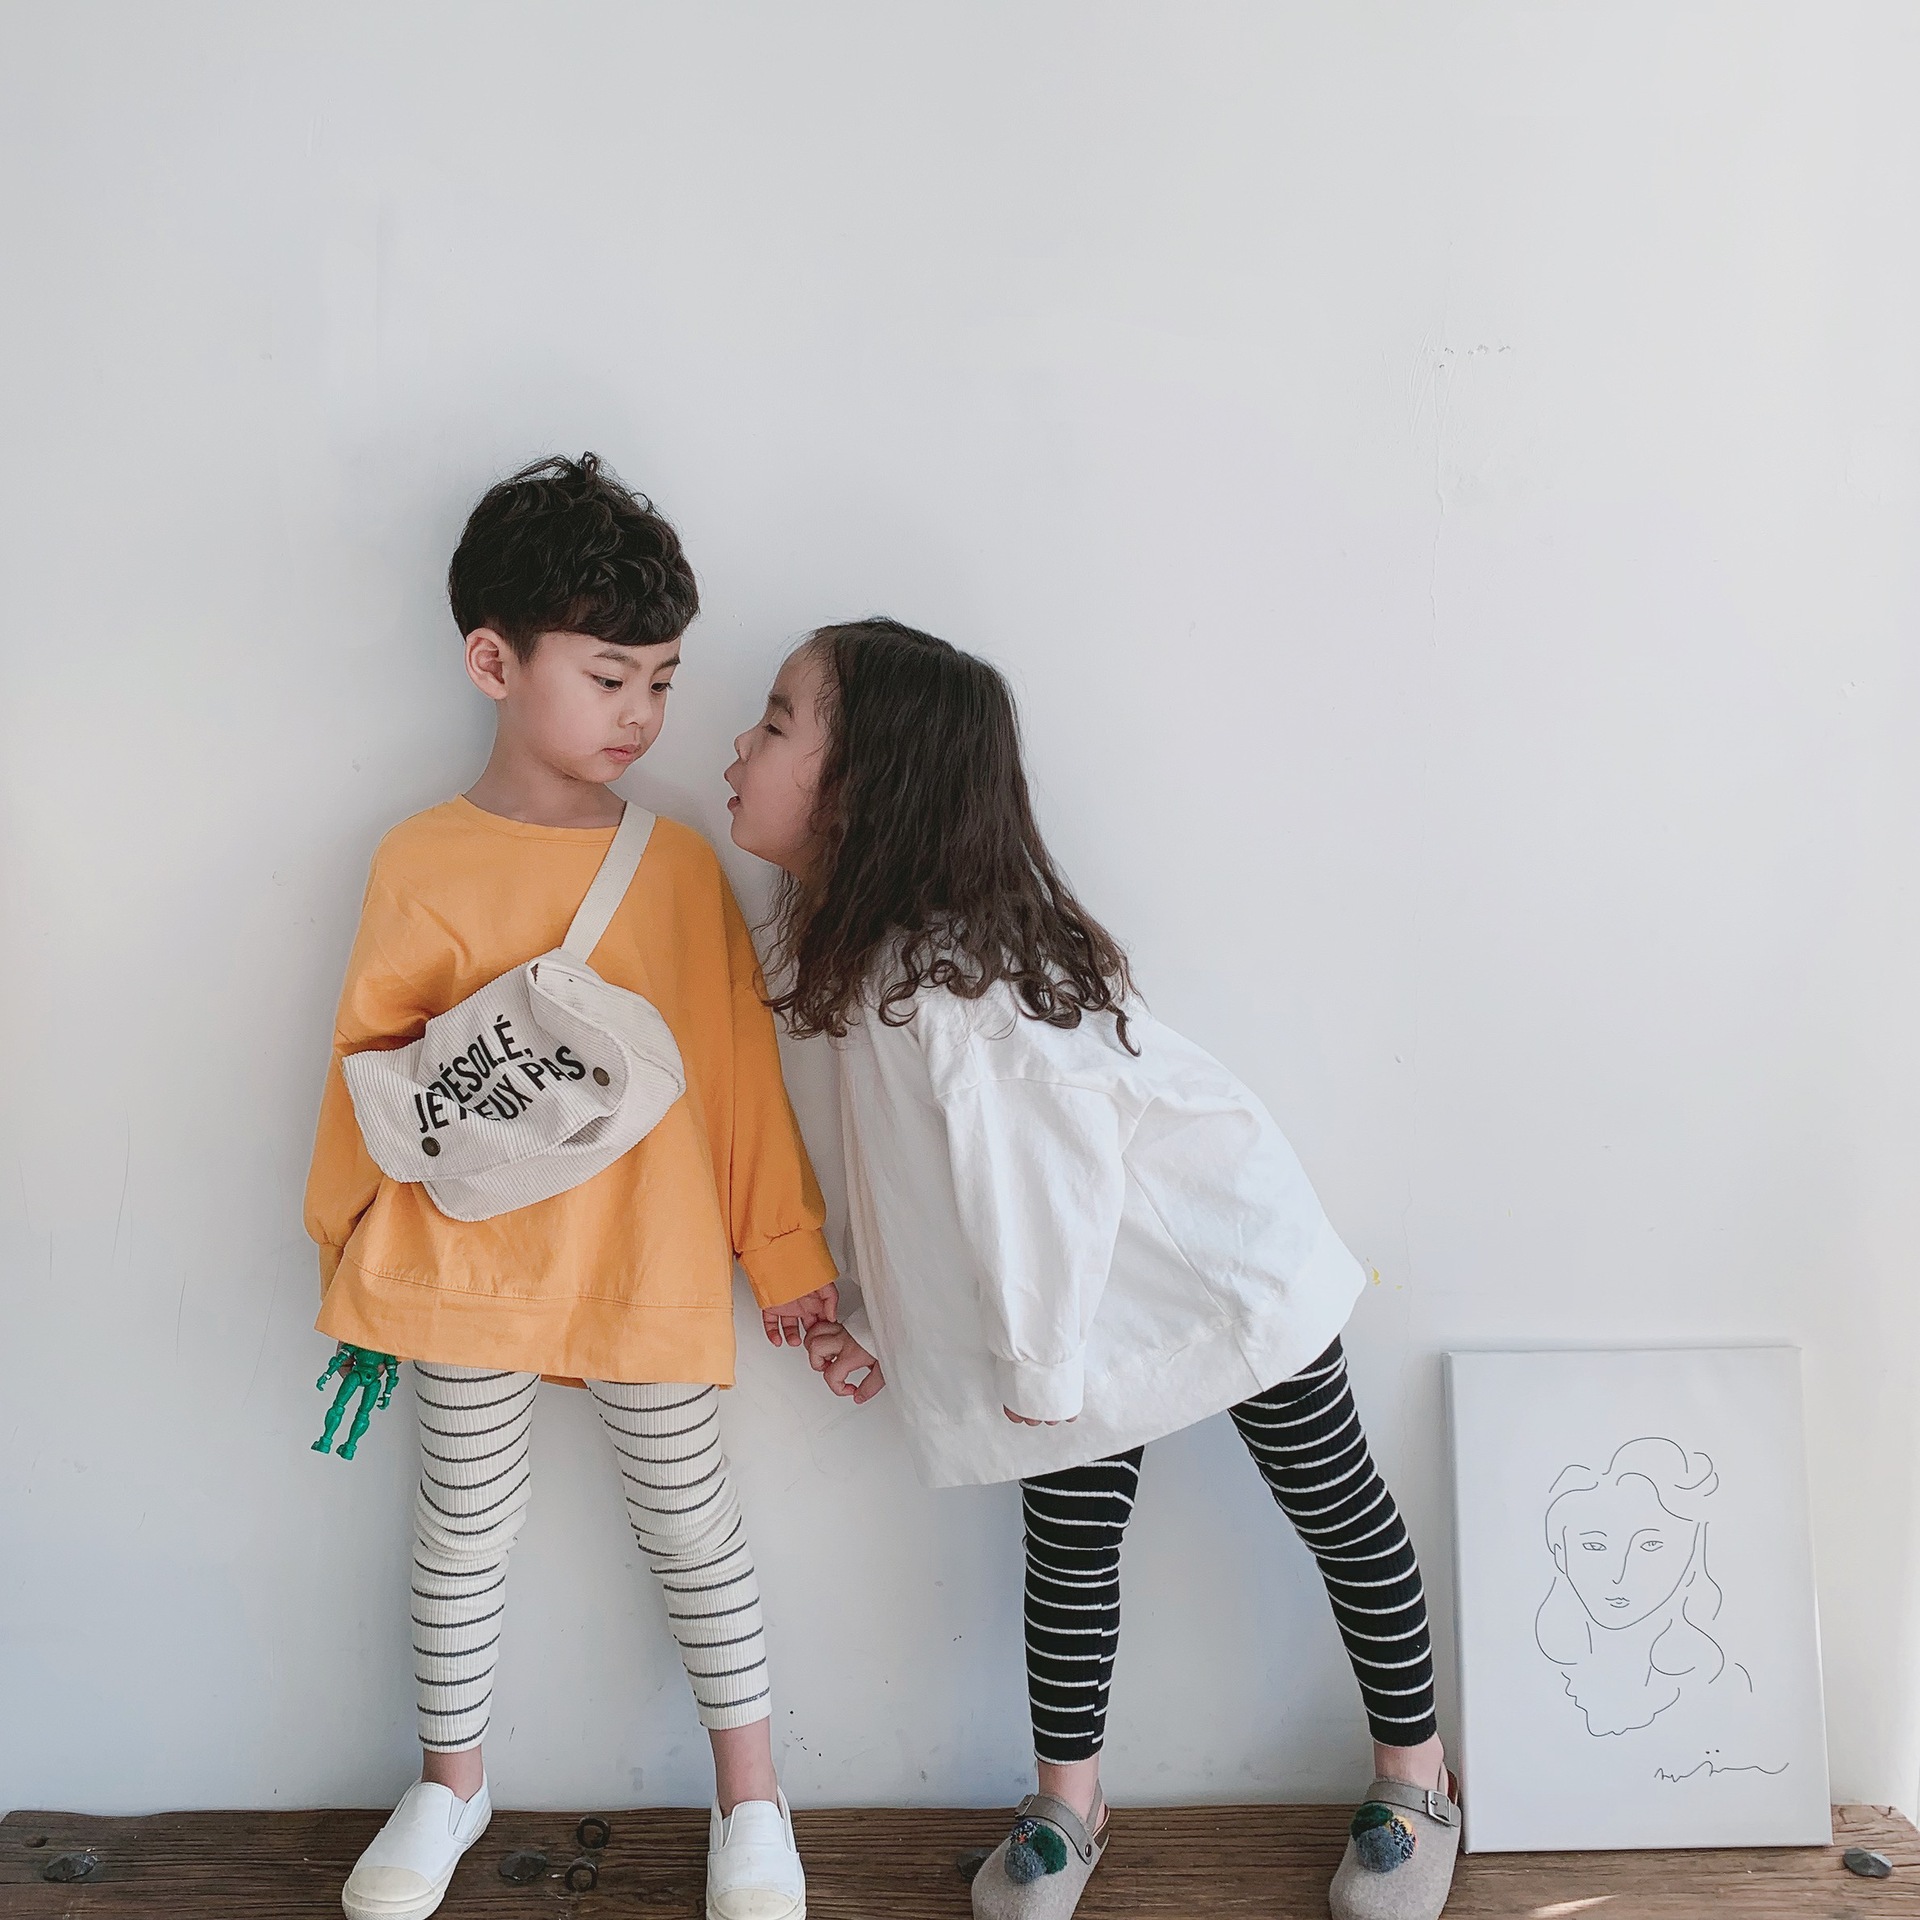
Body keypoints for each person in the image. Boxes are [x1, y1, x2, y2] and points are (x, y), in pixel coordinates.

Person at [723, 618, 1458, 1920]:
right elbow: (927, 1200)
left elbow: (1046, 1195)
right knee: (1068, 1543)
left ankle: (1419, 1778)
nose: (738, 743)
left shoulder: (964, 987)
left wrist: (1039, 1373)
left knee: (1333, 1502)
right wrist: (878, 1320)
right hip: (1069, 1305)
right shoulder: (887, 966)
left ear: (868, 784)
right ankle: (1069, 1803)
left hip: (1214, 1265)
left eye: (776, 722)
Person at [305, 456, 835, 1920]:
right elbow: (372, 1078)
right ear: (494, 663)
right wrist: (350, 1262)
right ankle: (451, 1784)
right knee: (459, 1529)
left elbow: (739, 1081)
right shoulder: (417, 859)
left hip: (645, 1261)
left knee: (692, 1524)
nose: (642, 715)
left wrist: (789, 1262)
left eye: (661, 681)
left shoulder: (679, 869)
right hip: (460, 1262)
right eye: (609, 677)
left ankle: (753, 1802)